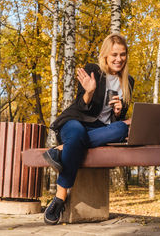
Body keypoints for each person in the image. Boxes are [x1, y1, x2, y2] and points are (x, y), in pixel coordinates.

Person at [42, 33, 134, 225]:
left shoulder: (128, 82)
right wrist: (89, 92)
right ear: (105, 56)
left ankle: (61, 150)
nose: (119, 59)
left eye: (122, 54)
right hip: (75, 122)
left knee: (121, 129)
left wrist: (118, 113)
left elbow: (117, 120)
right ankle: (61, 195)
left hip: (100, 130)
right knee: (76, 134)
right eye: (114, 54)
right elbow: (80, 106)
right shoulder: (93, 71)